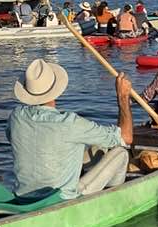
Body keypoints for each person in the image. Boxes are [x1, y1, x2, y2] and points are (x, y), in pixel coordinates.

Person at [8, 59, 133, 200]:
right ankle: (112, 198)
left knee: (100, 148)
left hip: (24, 196)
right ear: (56, 91)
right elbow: (126, 137)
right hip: (62, 198)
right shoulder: (70, 123)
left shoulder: (16, 117)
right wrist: (123, 96)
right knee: (121, 152)